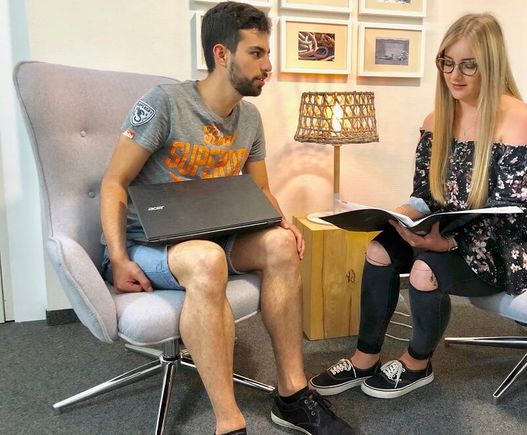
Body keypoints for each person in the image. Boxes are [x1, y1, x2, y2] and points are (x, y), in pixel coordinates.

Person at [99, 2, 353, 434]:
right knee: (206, 258)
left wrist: (283, 223)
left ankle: (292, 394)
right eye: (256, 53)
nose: (267, 66)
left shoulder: (249, 118)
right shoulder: (165, 103)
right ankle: (228, 421)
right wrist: (119, 259)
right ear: (221, 54)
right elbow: (113, 182)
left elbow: (260, 189)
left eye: (267, 54)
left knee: (280, 244)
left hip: (214, 235)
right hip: (150, 244)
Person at [309, 13, 527, 400]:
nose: (454, 75)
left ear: (491, 64)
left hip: (515, 244)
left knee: (425, 269)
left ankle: (417, 363)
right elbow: (426, 194)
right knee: (379, 250)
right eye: (447, 62)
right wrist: (403, 216)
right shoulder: (437, 120)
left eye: (468, 65)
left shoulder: (519, 119)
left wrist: (448, 244)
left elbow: (511, 213)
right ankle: (365, 357)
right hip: (453, 230)